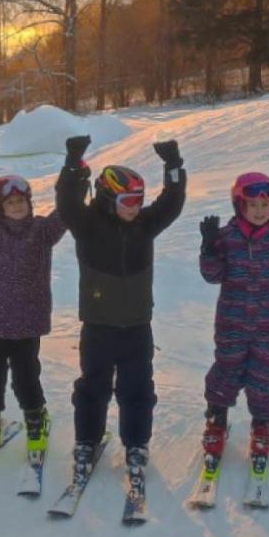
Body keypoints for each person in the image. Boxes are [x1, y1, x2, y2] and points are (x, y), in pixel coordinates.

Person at [56, 136, 186, 484]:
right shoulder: (88, 226)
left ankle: (136, 443)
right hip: (98, 327)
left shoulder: (144, 225)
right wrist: (73, 165)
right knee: (92, 388)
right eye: (129, 200)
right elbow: (68, 203)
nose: (135, 206)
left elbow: (172, 203)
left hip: (137, 328)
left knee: (137, 389)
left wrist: (173, 166)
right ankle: (87, 440)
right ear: (109, 197)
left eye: (139, 200)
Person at [0, 135, 68, 460]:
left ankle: (37, 420)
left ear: (30, 203)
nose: (17, 206)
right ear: (0, 207)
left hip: (26, 323)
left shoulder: (42, 231)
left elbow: (67, 211)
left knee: (26, 377)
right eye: (10, 202)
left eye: (22, 200)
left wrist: (73, 174)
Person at [198, 172, 269, 467]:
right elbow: (212, 276)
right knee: (226, 372)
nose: (259, 211)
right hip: (232, 325)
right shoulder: (226, 239)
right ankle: (216, 420)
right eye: (252, 205)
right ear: (239, 206)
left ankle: (261, 426)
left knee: (264, 379)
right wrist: (208, 248)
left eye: (265, 205)